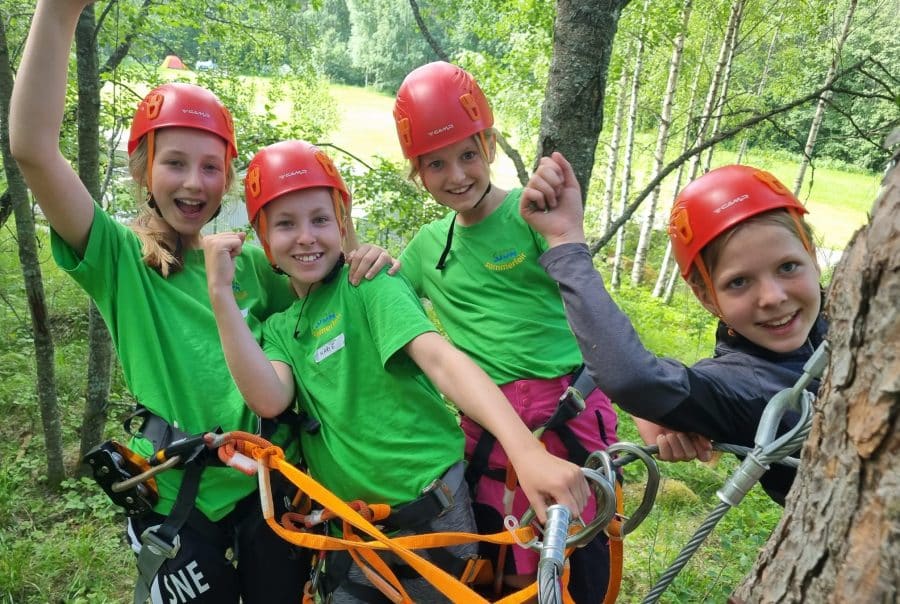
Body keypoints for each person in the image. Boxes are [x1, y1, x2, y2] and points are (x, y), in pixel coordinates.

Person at [8, 2, 395, 601]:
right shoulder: (120, 260)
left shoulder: (251, 265)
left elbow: (322, 285)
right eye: (175, 163)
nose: (193, 182)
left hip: (272, 490)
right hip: (181, 502)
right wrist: (58, 15)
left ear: (228, 179)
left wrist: (364, 258)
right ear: (143, 171)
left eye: (210, 167)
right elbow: (33, 148)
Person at [203, 139, 591, 603]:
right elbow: (268, 398)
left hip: (431, 515)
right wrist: (221, 296)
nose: (306, 236)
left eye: (320, 219)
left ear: (341, 223)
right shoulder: (281, 330)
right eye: (285, 224)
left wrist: (525, 451)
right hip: (357, 530)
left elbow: (441, 360)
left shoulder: (367, 285)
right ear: (264, 240)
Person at [390, 60, 687, 600]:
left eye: (467, 155)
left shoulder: (530, 214)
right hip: (490, 429)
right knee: (498, 556)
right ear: (417, 173)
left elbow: (590, 311)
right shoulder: (424, 250)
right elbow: (391, 312)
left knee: (580, 553)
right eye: (435, 165)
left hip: (570, 409)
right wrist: (365, 259)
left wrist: (649, 411)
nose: (456, 176)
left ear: (491, 144)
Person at [521, 154, 828, 505]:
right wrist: (565, 241)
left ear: (813, 257)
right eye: (739, 282)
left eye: (788, 267)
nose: (773, 297)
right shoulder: (737, 388)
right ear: (706, 296)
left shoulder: (859, 316)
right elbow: (633, 378)